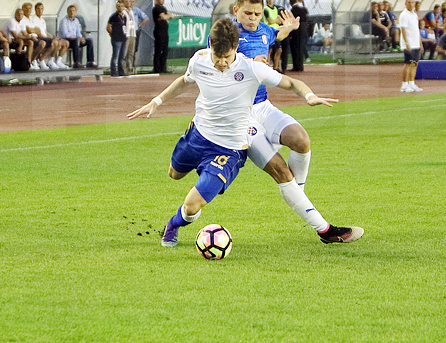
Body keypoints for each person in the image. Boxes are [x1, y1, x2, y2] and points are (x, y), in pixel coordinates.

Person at [127, 19, 362, 246]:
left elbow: (290, 83)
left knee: (191, 206)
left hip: (228, 149)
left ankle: (173, 224)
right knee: (174, 174)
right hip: (197, 136)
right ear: (210, 45)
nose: (221, 63)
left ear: (236, 48)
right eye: (217, 57)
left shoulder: (251, 68)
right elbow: (185, 80)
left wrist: (309, 96)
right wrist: (156, 101)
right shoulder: (199, 60)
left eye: (226, 57)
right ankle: (297, 198)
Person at [30, 2, 70, 69]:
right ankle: (42, 60)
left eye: (41, 9)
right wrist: (50, 38)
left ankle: (57, 61)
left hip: (45, 37)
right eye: (38, 9)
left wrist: (52, 37)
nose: (40, 10)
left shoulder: (42, 20)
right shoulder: (33, 19)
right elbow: (37, 32)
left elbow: (45, 32)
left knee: (65, 42)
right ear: (35, 10)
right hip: (39, 38)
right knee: (54, 42)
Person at [399, 0, 422, 92]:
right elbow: (403, 30)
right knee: (408, 63)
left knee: (414, 63)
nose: (411, 4)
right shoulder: (404, 15)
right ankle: (404, 84)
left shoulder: (414, 14)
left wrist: (420, 42)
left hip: (415, 42)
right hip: (409, 43)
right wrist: (407, 43)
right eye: (409, 2)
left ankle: (411, 83)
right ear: (405, 3)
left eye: (412, 2)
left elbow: (416, 29)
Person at [19, 3, 47, 69]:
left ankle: (39, 60)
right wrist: (32, 32)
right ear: (23, 9)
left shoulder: (31, 19)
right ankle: (31, 61)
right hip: (26, 38)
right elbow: (28, 31)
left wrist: (32, 30)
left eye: (29, 8)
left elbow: (36, 29)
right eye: (26, 8)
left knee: (53, 42)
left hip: (35, 36)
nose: (28, 10)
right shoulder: (22, 19)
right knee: (41, 43)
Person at [262, 0, 284, 71]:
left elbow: (280, 20)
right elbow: (270, 21)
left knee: (279, 50)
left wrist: (276, 21)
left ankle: (276, 67)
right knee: (269, 50)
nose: (271, 1)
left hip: (276, 31)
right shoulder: (265, 10)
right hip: (268, 31)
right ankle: (266, 66)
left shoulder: (276, 9)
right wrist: (276, 21)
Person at [107, 0, 128, 77]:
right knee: (115, 55)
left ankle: (121, 71)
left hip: (123, 37)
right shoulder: (113, 16)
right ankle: (113, 71)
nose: (120, 8)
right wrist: (112, 34)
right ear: (116, 7)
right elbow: (108, 27)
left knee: (122, 56)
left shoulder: (124, 16)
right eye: (118, 6)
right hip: (116, 38)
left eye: (122, 6)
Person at [152, 0, 172, 73]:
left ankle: (163, 68)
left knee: (164, 50)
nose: (162, 1)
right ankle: (157, 68)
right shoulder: (156, 8)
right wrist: (168, 16)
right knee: (158, 50)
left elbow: (167, 17)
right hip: (159, 31)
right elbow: (164, 17)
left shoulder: (163, 8)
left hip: (164, 31)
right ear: (156, 0)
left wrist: (168, 16)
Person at [288, 0, 308, 71]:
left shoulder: (292, 11)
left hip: (295, 33)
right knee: (300, 49)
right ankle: (300, 66)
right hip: (302, 32)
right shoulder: (302, 10)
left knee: (295, 50)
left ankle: (296, 66)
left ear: (290, 3)